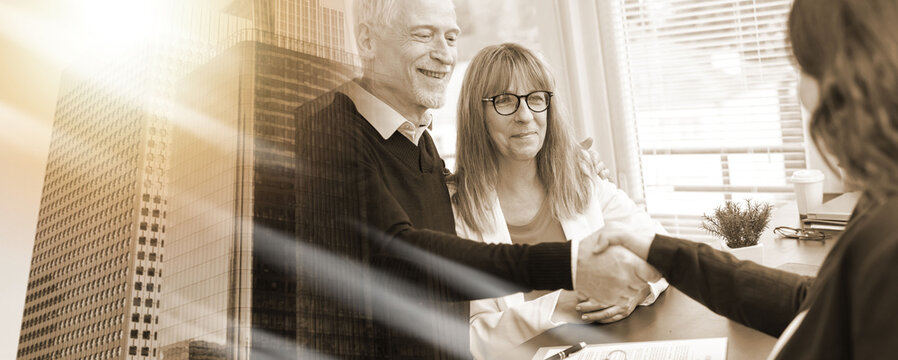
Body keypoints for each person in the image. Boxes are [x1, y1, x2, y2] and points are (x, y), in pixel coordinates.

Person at [293, 0, 659, 358]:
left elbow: (658, 249)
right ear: (368, 42)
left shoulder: (418, 143)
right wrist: (571, 274)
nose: (443, 54)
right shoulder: (331, 128)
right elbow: (400, 254)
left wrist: (630, 288)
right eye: (423, 34)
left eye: (451, 38)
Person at [591, 0, 898, 358]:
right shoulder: (880, 200)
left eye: (804, 67)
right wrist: (661, 251)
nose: (802, 94)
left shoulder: (888, 236)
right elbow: (810, 302)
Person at [448, 43, 668, 359]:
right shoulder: (455, 211)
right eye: (504, 101)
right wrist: (558, 306)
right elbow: (468, 338)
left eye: (536, 99)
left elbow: (662, 247)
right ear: (476, 114)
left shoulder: (581, 178)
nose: (525, 116)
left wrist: (637, 291)